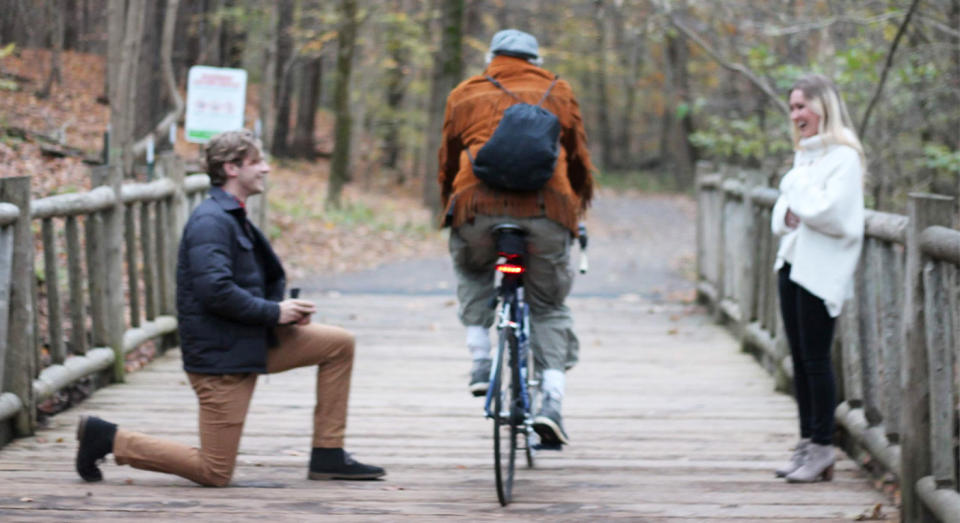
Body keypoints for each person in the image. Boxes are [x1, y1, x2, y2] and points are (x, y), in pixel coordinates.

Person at [75, 129, 385, 486]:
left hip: (249, 341)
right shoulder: (211, 221)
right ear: (232, 168)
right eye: (257, 162)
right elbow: (215, 291)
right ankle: (108, 438)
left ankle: (328, 455)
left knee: (338, 344)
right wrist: (274, 313)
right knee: (215, 470)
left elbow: (240, 283)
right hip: (222, 359)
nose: (266, 169)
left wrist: (283, 312)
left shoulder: (232, 215)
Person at [437, 29, 594, 447]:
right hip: (546, 210)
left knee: (472, 269)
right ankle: (552, 403)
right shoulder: (558, 91)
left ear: (491, 58)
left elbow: (448, 162)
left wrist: (452, 209)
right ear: (535, 60)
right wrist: (575, 211)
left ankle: (479, 358)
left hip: (477, 208)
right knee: (547, 305)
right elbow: (578, 161)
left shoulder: (465, 93)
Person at [771, 74, 865, 483]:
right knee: (798, 360)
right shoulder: (806, 155)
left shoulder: (843, 156)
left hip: (820, 269)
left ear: (823, 106)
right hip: (792, 263)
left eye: (801, 107)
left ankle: (824, 446)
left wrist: (794, 191)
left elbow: (831, 214)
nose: (795, 116)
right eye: (792, 108)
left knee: (816, 360)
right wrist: (794, 202)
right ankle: (807, 443)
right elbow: (784, 216)